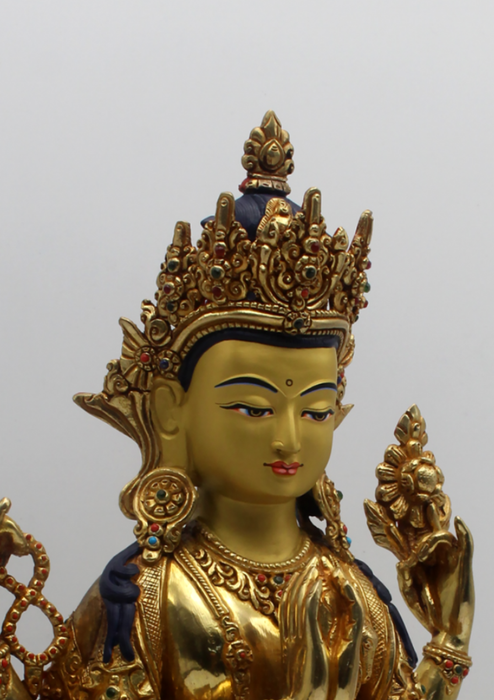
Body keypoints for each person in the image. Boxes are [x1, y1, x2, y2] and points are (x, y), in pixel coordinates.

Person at [0, 112, 474, 700]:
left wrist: (450, 639)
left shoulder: (353, 595)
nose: (289, 439)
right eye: (253, 407)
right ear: (171, 410)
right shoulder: (144, 597)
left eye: (316, 411)